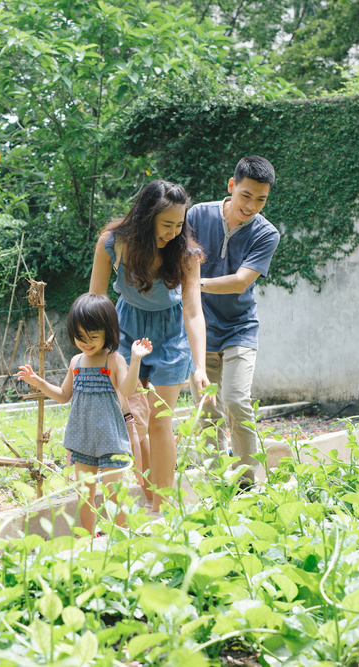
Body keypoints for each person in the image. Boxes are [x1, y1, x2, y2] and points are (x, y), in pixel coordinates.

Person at [89, 180, 209, 514]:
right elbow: (96, 298)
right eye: (166, 224)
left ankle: (162, 506)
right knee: (129, 420)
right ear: (146, 218)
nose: (174, 232)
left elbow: (193, 311)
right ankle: (140, 493)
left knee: (160, 421)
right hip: (125, 327)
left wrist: (199, 366)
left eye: (179, 225)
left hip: (170, 333)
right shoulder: (113, 244)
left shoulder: (187, 254)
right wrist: (97, 346)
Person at [17, 292, 151, 536]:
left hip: (111, 438)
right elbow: (64, 395)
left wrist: (136, 360)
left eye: (93, 337)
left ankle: (120, 536)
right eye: (80, 337)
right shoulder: (76, 361)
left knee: (113, 493)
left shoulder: (114, 359)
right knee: (84, 494)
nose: (86, 342)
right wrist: (39, 382)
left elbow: (128, 389)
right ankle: (88, 539)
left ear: (108, 332)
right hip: (82, 439)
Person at [187, 155, 281, 484]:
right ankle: (215, 486)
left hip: (240, 328)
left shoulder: (267, 234)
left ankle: (247, 483)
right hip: (200, 331)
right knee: (208, 412)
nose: (252, 205)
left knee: (236, 400)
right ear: (231, 186)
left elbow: (241, 281)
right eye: (246, 196)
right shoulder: (197, 215)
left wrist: (194, 284)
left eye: (261, 199)